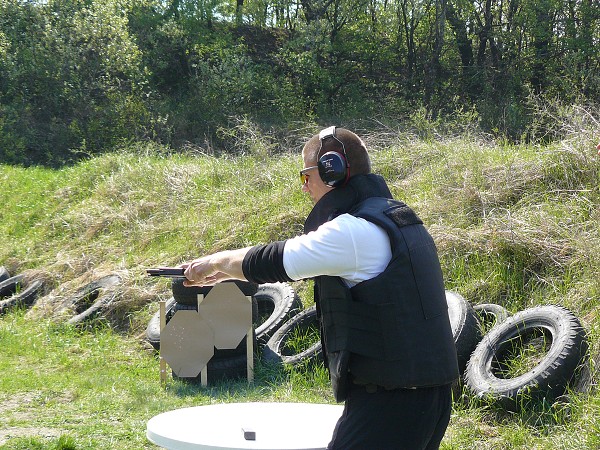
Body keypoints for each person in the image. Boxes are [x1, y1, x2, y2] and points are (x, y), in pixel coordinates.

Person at [181, 127, 459, 449]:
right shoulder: (398, 217)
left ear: (332, 171)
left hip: (390, 402)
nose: (304, 187)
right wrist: (224, 271)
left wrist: (214, 263)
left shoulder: (352, 231)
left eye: (306, 176)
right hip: (429, 396)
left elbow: (275, 261)